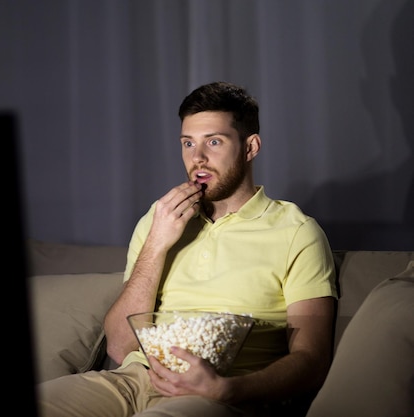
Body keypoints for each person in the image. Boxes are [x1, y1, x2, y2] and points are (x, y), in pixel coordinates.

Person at [37, 81, 338, 417]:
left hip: (220, 395)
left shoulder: (296, 231)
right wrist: (156, 243)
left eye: (214, 142)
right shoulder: (160, 218)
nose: (198, 158)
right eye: (188, 143)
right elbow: (121, 346)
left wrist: (228, 389)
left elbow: (312, 361)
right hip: (134, 380)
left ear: (250, 146)